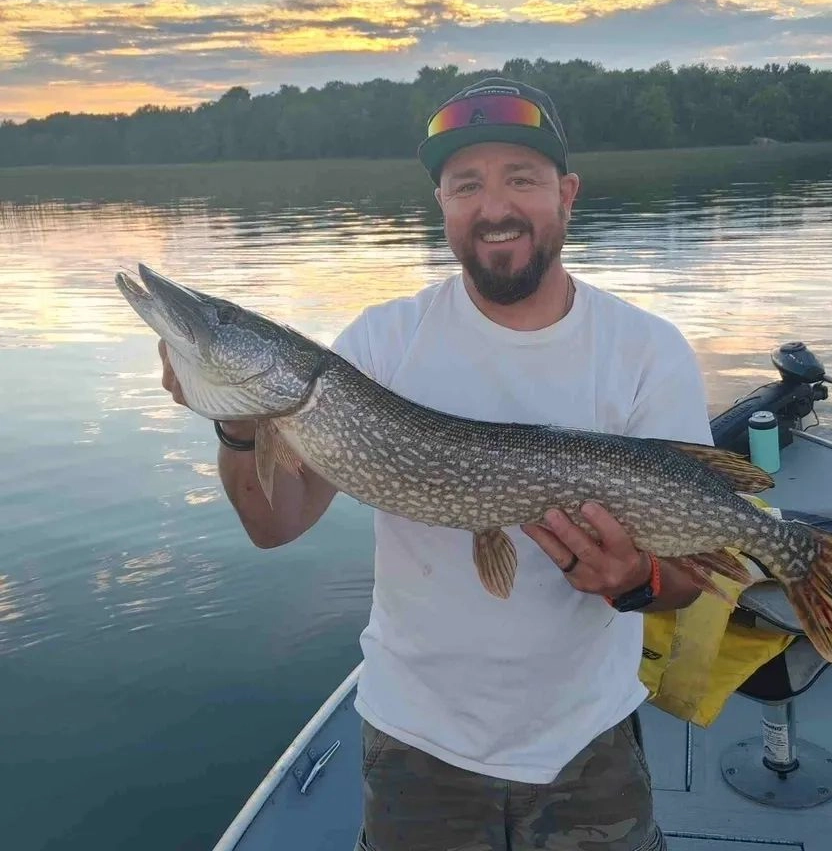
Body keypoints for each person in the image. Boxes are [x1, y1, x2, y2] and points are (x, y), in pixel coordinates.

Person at [159, 76, 715, 850]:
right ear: (444, 205)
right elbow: (273, 525)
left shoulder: (646, 352)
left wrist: (637, 583)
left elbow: (695, 577)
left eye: (521, 178)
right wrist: (236, 422)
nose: (495, 208)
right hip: (416, 742)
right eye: (466, 186)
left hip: (586, 739)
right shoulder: (383, 345)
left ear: (567, 194)